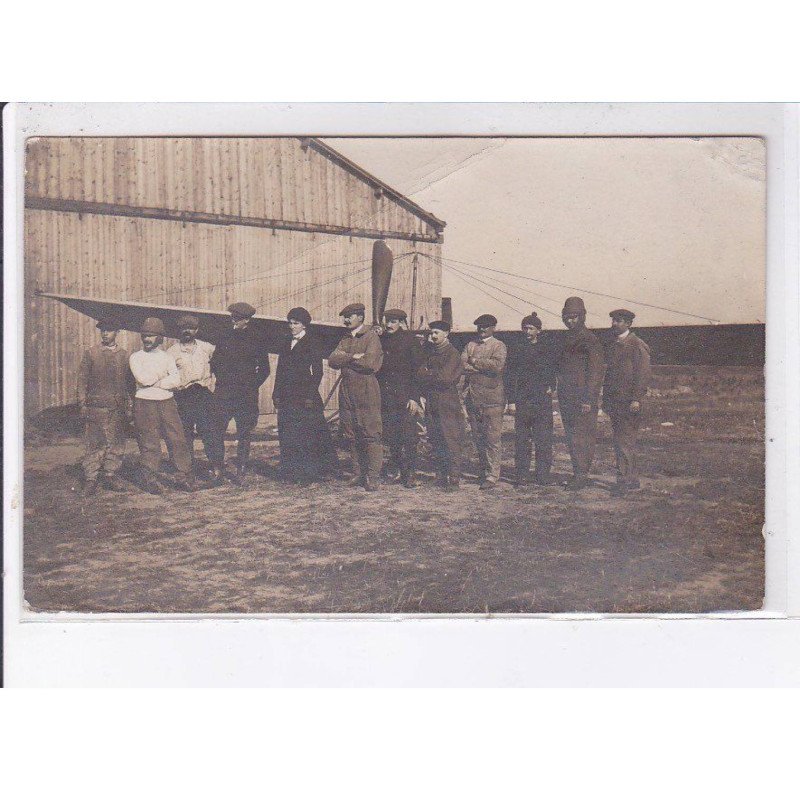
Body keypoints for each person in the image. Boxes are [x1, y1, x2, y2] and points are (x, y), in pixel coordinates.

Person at [272, 306, 340, 484]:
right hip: (287, 395)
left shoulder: (312, 342)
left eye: (296, 323)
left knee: (307, 434)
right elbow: (280, 370)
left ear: (304, 325)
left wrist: (310, 396)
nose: (291, 326)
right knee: (287, 432)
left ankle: (308, 473)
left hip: (305, 396)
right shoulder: (286, 342)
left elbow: (317, 372)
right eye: (290, 323)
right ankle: (289, 471)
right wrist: (276, 393)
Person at [128, 317, 194, 494]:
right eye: (144, 336)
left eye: (151, 336)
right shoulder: (136, 357)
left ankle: (183, 476)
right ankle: (150, 479)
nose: (147, 339)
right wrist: (162, 377)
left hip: (167, 402)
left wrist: (156, 382)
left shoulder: (167, 357)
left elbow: (176, 380)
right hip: (144, 403)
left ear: (160, 338)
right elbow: (143, 379)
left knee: (177, 439)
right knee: (149, 442)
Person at [208, 302, 270, 485]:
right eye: (232, 317)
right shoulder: (224, 336)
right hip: (224, 394)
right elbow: (216, 362)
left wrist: (251, 385)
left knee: (244, 433)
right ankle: (218, 469)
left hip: (246, 396)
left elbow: (265, 369)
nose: (233, 320)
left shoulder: (258, 338)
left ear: (247, 320)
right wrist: (222, 381)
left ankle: (241, 470)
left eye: (237, 318)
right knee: (216, 431)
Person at [327, 302, 384, 491]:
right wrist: (353, 357)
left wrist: (346, 357)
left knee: (370, 432)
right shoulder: (345, 338)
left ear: (360, 317)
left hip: (366, 389)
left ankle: (373, 476)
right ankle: (358, 473)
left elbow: (370, 363)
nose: (345, 320)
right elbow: (333, 360)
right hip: (347, 389)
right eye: (344, 316)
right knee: (351, 432)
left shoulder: (371, 336)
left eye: (349, 316)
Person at [77, 317, 134, 495]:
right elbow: (82, 380)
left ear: (117, 333)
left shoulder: (125, 355)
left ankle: (110, 474)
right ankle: (91, 478)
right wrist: (82, 403)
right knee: (95, 443)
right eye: (102, 330)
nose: (105, 333)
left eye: (109, 330)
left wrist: (130, 405)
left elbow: (130, 383)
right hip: (96, 407)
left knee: (116, 443)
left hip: (117, 408)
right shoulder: (91, 353)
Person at [556, 296, 606, 491]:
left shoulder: (590, 340)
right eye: (567, 317)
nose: (570, 321)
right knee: (571, 435)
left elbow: (595, 372)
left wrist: (589, 399)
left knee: (582, 435)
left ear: (583, 316)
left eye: (574, 317)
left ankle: (581, 474)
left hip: (582, 397)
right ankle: (578, 471)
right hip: (567, 396)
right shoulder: (567, 338)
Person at [602, 309, 651, 495]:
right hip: (616, 401)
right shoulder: (614, 344)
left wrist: (637, 398)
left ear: (629, 324)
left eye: (619, 321)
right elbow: (610, 375)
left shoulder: (636, 344)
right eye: (613, 320)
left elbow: (642, 374)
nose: (615, 324)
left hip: (629, 402)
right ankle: (630, 478)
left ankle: (625, 480)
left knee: (625, 440)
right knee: (621, 440)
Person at [506, 312, 557, 488]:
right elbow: (510, 376)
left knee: (543, 439)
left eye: (531, 328)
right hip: (523, 400)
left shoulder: (547, 348)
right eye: (525, 328)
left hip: (542, 400)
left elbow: (552, 370)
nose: (527, 331)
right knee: (522, 439)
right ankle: (522, 476)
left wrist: (551, 385)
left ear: (539, 330)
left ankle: (543, 475)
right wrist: (511, 401)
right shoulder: (516, 348)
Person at [376, 308, 425, 487]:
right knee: (391, 435)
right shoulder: (381, 340)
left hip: (405, 397)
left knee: (409, 436)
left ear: (401, 323)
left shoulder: (410, 342)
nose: (389, 325)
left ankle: (410, 472)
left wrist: (414, 397)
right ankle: (395, 469)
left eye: (393, 321)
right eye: (387, 321)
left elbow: (417, 372)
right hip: (387, 396)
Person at [416, 320, 465, 492]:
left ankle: (454, 477)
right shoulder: (431, 352)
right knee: (436, 437)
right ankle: (441, 475)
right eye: (431, 333)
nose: (433, 336)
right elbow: (419, 373)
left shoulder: (453, 354)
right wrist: (430, 375)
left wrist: (429, 375)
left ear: (447, 334)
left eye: (436, 333)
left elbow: (446, 379)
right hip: (432, 399)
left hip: (447, 400)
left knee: (450, 438)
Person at [460, 313, 507, 489]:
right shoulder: (470, 345)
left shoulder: (499, 346)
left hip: (493, 399)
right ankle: (483, 470)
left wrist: (474, 362)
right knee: (478, 436)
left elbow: (497, 366)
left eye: (486, 326)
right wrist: (478, 365)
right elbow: (462, 365)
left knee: (492, 438)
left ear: (493, 328)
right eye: (479, 326)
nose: (482, 329)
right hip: (473, 398)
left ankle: (492, 475)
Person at [167, 314, 216, 477]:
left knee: (209, 431)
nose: (187, 331)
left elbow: (219, 367)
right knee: (184, 433)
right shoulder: (172, 352)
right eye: (183, 328)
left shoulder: (207, 348)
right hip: (183, 396)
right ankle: (187, 468)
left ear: (196, 330)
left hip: (203, 394)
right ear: (179, 331)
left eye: (190, 328)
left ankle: (215, 467)